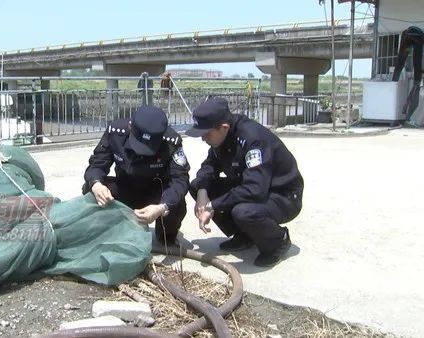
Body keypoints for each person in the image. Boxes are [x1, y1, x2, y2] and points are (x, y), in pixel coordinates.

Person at [186, 97, 303, 267]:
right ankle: (246, 235)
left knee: (244, 212)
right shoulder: (222, 136)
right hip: (252, 186)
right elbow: (209, 166)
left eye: (206, 133)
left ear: (224, 127)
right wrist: (202, 192)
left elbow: (255, 189)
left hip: (282, 194)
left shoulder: (252, 140)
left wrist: (213, 206)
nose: (203, 138)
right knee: (198, 184)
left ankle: (278, 240)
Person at [83, 105, 189, 245]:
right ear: (130, 126)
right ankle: (105, 232)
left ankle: (166, 238)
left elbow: (180, 180)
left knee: (176, 203)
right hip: (125, 188)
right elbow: (97, 164)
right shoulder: (116, 132)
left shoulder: (171, 142)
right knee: (90, 188)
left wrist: (162, 207)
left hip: (155, 194)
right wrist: (96, 184)